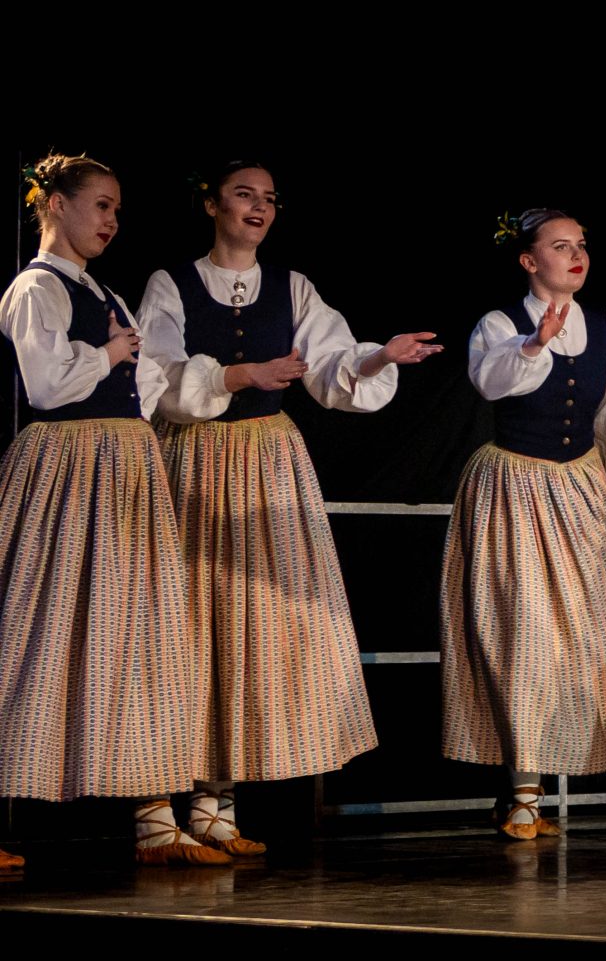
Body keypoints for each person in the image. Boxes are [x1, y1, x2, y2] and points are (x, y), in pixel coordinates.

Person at [138, 161, 442, 857]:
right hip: (195, 458)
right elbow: (160, 379)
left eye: (270, 199)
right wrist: (238, 374)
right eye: (244, 194)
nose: (259, 207)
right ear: (211, 203)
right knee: (189, 626)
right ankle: (158, 809)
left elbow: (332, 363)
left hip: (267, 460)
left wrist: (377, 358)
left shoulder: (291, 285)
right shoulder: (171, 283)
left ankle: (214, 805)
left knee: (249, 630)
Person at [0, 153, 227, 866]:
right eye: (100, 205)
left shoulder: (106, 294)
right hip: (69, 469)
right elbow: (44, 384)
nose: (112, 221)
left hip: (126, 469)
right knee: (39, 638)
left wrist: (226, 381)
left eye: (117, 210)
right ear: (55, 203)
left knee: (141, 638)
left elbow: (151, 382)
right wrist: (105, 355)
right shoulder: (37, 287)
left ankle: (155, 820)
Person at [442, 208, 606, 840]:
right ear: (529, 261)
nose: (577, 255)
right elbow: (491, 382)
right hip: (515, 486)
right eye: (560, 246)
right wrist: (535, 343)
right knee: (520, 631)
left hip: (581, 485)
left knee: (588, 636)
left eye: (581, 244)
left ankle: (542, 780)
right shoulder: (501, 324)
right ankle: (523, 793)